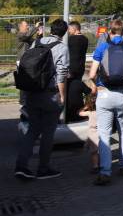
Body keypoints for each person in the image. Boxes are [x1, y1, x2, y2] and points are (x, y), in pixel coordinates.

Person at [14, 18, 70, 180]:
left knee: (32, 130)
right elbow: (61, 74)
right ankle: (43, 169)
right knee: (48, 133)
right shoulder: (62, 47)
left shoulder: (36, 43)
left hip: (32, 93)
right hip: (50, 95)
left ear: (51, 30)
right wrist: (62, 96)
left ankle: (21, 166)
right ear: (64, 33)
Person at [89, 18, 123, 185]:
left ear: (109, 31)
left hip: (105, 94)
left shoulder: (102, 47)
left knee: (104, 134)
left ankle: (105, 171)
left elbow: (92, 74)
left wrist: (96, 86)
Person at [66, 21, 89, 122]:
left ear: (74, 29)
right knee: (78, 90)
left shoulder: (70, 40)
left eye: (69, 29)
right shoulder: (85, 39)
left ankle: (71, 113)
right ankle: (79, 112)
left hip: (71, 68)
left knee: (70, 91)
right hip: (80, 68)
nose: (68, 31)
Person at [79, 83, 100, 174]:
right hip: (101, 132)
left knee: (94, 152)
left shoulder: (89, 113)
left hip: (92, 134)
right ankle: (102, 163)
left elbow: (79, 113)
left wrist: (85, 107)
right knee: (101, 151)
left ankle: (95, 166)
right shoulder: (101, 112)